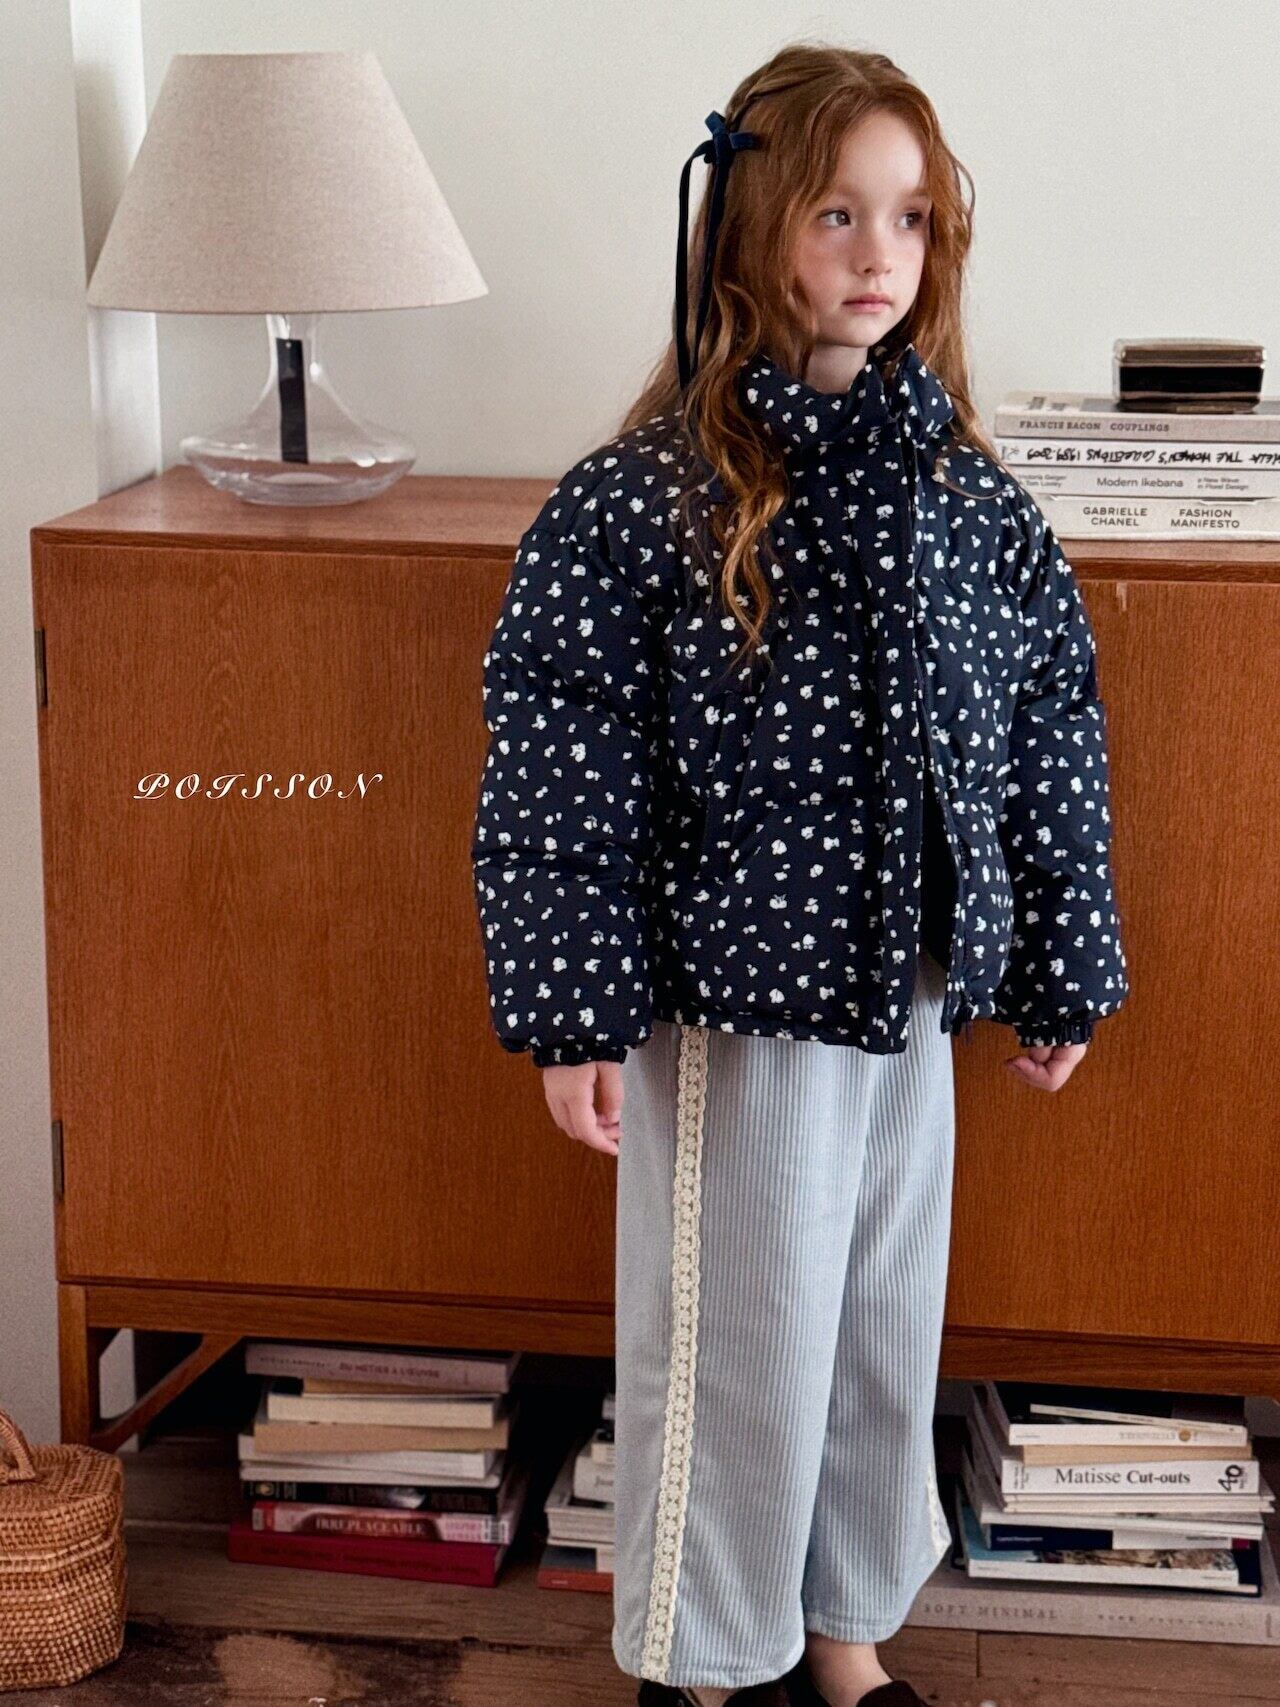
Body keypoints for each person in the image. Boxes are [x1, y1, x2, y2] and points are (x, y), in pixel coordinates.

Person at [470, 40, 1129, 1707]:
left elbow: (1049, 727)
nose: (877, 252)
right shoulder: (644, 504)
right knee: (738, 1349)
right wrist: (574, 1010)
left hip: (908, 1000)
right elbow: (562, 759)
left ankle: (842, 1642)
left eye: (908, 217)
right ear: (749, 226)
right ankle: (708, 1668)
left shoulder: (966, 499)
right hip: (737, 1008)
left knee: (875, 1338)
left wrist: (1062, 957)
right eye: (838, 212)